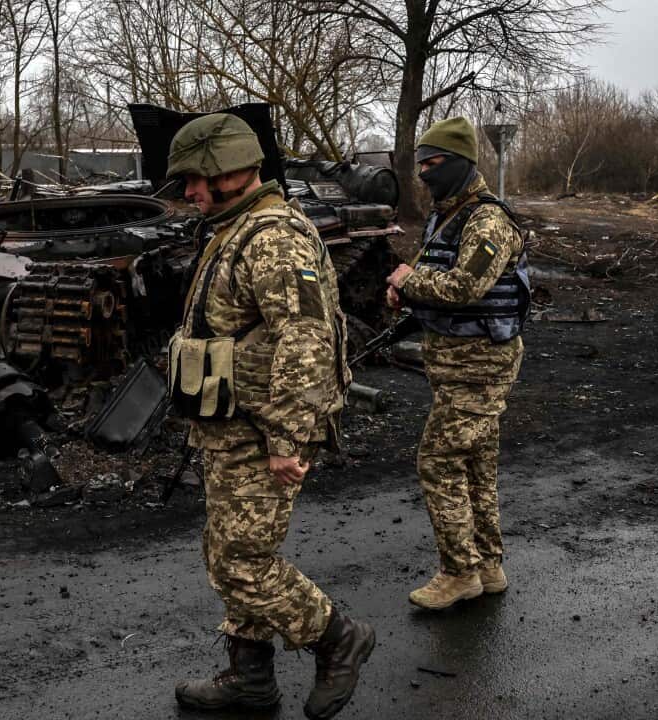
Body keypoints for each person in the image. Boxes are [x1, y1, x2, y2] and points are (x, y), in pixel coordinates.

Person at [166, 113, 374, 720]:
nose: (189, 193)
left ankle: (338, 638)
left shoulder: (274, 235)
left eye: (195, 180)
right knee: (227, 551)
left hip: (263, 431)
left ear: (229, 169)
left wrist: (287, 437)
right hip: (232, 425)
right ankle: (250, 677)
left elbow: (305, 342)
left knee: (243, 560)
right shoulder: (234, 227)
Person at [385, 116, 530, 610]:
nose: (424, 172)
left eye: (433, 163)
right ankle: (487, 565)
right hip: (455, 364)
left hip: (479, 365)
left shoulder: (487, 219)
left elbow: (468, 286)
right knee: (475, 465)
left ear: (461, 163)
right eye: (421, 163)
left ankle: (458, 572)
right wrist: (407, 292)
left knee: (438, 460)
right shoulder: (450, 213)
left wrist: (408, 281)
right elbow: (436, 276)